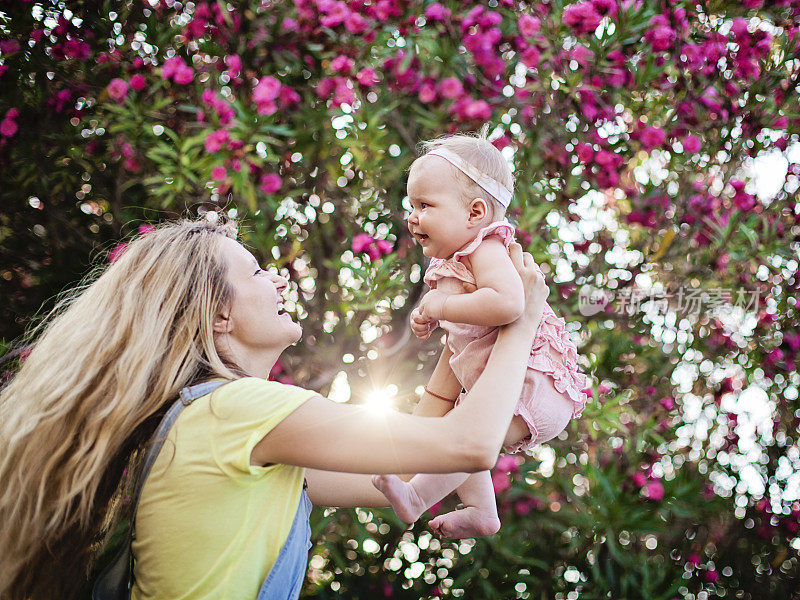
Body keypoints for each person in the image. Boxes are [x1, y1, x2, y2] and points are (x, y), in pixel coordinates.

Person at [0, 218, 549, 600]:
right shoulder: (238, 410)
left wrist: (466, 339)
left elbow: (411, 466)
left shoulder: (221, 426)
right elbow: (471, 445)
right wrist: (520, 325)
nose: (280, 277)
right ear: (218, 315)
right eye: (258, 272)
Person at [371, 132, 591, 539]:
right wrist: (435, 319)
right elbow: (473, 323)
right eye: (411, 206)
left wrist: (440, 307)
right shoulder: (457, 260)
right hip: (509, 383)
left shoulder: (485, 248)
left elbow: (509, 303)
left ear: (475, 213)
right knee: (462, 435)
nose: (413, 217)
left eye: (424, 205)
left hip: (532, 382)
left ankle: (417, 499)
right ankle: (482, 512)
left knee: (461, 439)